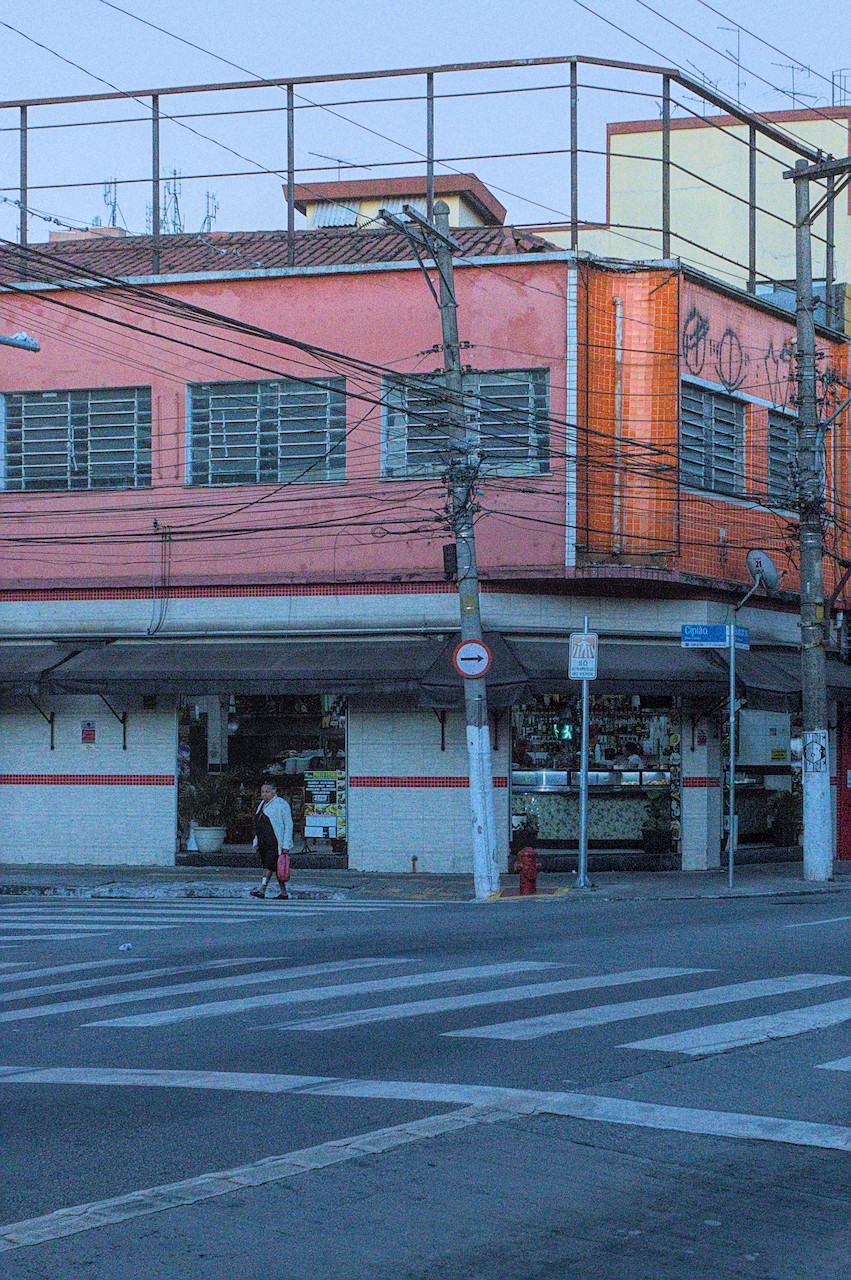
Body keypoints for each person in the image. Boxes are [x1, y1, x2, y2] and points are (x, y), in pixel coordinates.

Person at [250, 778, 293, 900]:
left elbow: (288, 825)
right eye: (263, 792)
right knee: (276, 868)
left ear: (274, 792)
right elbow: (259, 825)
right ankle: (283, 892)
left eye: (267, 791)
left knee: (268, 867)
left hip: (275, 842)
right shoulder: (262, 805)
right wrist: (256, 841)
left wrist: (286, 844)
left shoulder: (281, 804)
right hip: (264, 842)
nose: (264, 794)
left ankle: (262, 889)